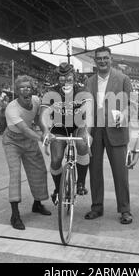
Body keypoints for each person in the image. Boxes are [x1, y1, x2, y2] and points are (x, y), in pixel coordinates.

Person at [84, 46, 135, 224]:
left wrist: (125, 115)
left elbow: (132, 105)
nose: (102, 61)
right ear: (95, 60)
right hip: (96, 130)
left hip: (117, 130)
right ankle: (96, 207)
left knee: (120, 173)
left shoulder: (123, 79)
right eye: (99, 58)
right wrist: (86, 132)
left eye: (106, 58)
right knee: (95, 170)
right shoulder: (89, 82)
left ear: (111, 59)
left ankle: (125, 210)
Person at [2, 75, 51, 230]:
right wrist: (41, 138)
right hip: (12, 141)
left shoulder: (36, 101)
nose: (26, 90)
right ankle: (15, 215)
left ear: (32, 90)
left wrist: (46, 131)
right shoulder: (12, 108)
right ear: (17, 91)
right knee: (15, 174)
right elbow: (24, 129)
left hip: (29, 140)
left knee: (39, 171)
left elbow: (38, 120)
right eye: (22, 88)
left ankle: (37, 204)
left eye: (28, 87)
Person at [40, 63, 91, 205]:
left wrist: (87, 132)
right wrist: (45, 130)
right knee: (56, 159)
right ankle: (58, 189)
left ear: (73, 76)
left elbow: (89, 112)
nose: (65, 79)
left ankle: (81, 182)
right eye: (62, 77)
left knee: (82, 144)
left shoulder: (82, 90)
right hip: (59, 127)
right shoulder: (51, 92)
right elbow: (43, 114)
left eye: (68, 76)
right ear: (58, 78)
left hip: (77, 125)